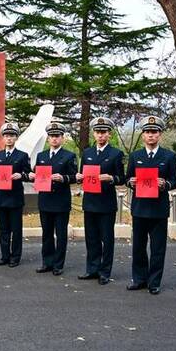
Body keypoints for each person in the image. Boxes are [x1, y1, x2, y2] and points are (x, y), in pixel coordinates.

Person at [125, 116, 176, 295]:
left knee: (157, 248)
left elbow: (175, 181)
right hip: (139, 208)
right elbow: (128, 178)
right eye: (147, 132)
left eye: (154, 132)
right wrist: (130, 182)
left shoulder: (169, 156)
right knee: (138, 247)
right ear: (143, 135)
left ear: (160, 135)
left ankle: (154, 282)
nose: (150, 135)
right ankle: (139, 279)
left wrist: (166, 184)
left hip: (158, 209)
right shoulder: (135, 156)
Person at [77, 117, 125, 285]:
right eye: (97, 132)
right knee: (91, 238)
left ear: (109, 134)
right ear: (93, 134)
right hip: (90, 201)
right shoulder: (87, 153)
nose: (100, 135)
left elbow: (122, 178)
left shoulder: (116, 153)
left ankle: (105, 271)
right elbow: (82, 174)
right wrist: (78, 177)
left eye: (103, 132)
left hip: (106, 203)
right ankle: (92, 269)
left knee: (107, 238)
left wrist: (111, 177)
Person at [29, 122, 77, 276]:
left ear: (62, 138)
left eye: (57, 136)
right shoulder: (41, 156)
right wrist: (32, 176)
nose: (54, 139)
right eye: (51, 136)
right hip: (45, 200)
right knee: (47, 234)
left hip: (61, 200)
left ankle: (58, 264)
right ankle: (47, 262)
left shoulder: (69, 156)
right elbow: (38, 175)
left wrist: (63, 178)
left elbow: (75, 177)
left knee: (61, 234)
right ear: (48, 138)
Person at [0, 123, 31, 268]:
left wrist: (21, 175)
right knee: (3, 229)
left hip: (15, 197)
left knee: (16, 229)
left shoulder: (22, 156)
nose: (9, 138)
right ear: (3, 138)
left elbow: (29, 174)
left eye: (12, 136)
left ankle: (15, 257)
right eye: (6, 136)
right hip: (1, 197)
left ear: (16, 137)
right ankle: (4, 256)